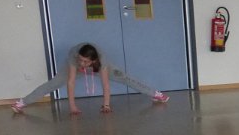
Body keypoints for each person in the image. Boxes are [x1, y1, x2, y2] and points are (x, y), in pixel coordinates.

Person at [12, 42, 169, 115]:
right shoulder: (74, 57)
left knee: (124, 77)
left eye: (85, 62)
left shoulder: (102, 60)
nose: (82, 64)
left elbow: (105, 84)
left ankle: (156, 94)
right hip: (73, 67)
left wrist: (106, 105)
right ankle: (22, 103)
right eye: (81, 60)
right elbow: (71, 82)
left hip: (100, 65)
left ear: (93, 60)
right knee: (53, 83)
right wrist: (72, 107)